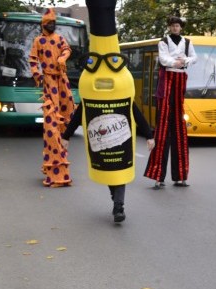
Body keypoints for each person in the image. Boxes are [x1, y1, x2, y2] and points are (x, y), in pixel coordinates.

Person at [62, 0, 155, 223]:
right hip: (103, 145)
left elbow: (134, 111)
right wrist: (66, 136)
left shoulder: (118, 81)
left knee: (119, 170)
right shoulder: (95, 80)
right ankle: (116, 200)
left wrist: (149, 134)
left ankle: (119, 206)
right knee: (110, 171)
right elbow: (80, 112)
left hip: (120, 145)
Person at [144, 16, 197, 189]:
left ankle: (180, 176)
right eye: (173, 26)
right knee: (163, 128)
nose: (175, 28)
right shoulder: (164, 41)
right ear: (169, 27)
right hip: (167, 78)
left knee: (179, 128)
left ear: (180, 27)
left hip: (180, 78)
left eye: (177, 26)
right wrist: (178, 61)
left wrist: (185, 61)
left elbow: (194, 58)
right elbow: (163, 60)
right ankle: (158, 176)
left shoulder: (187, 42)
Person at [29, 8, 75, 187]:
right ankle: (55, 170)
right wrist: (38, 75)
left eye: (54, 23)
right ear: (43, 25)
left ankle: (59, 169)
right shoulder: (38, 41)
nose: (53, 26)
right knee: (51, 126)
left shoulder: (59, 38)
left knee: (65, 122)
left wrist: (63, 58)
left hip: (62, 82)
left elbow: (66, 49)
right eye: (49, 23)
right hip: (49, 82)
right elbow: (33, 59)